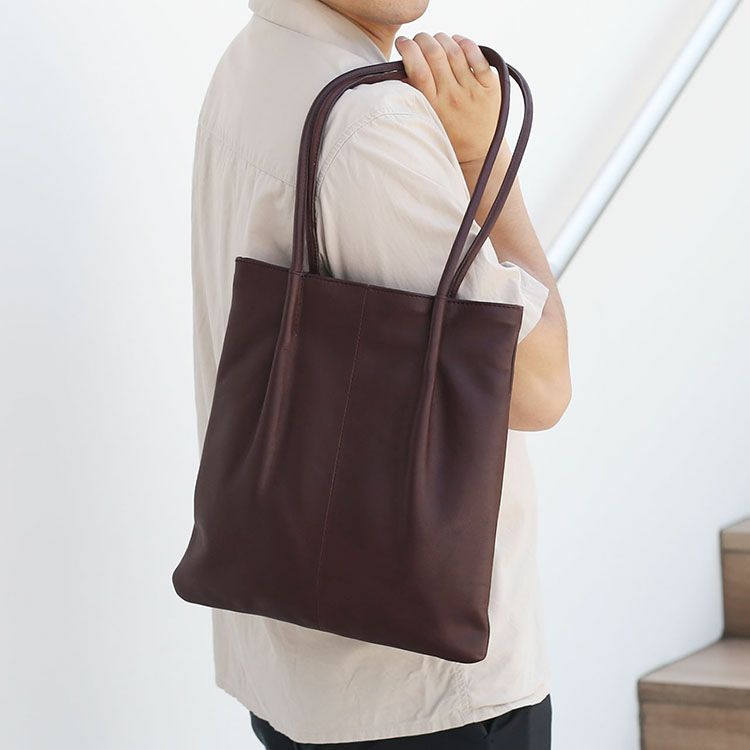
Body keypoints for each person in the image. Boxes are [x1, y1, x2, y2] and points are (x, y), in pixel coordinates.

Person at [190, 0, 571, 747]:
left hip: (292, 672)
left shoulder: (252, 63)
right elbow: (539, 389)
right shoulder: (371, 123)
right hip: (427, 693)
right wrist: (481, 162)